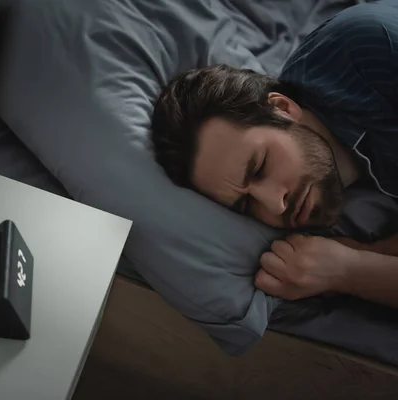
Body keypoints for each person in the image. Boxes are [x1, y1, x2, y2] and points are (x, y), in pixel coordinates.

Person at [150, 1, 398, 308]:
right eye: (246, 205)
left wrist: (351, 271)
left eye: (258, 168)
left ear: (283, 108)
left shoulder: (374, 51)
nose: (274, 204)